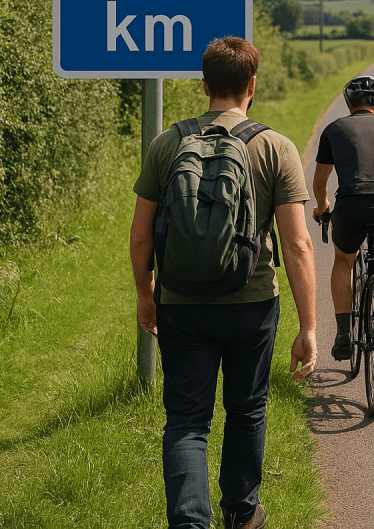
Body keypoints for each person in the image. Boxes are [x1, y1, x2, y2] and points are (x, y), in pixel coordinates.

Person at [129, 37, 318, 529]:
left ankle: (191, 523)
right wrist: (310, 326)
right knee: (247, 409)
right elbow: (298, 246)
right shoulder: (275, 146)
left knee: (187, 422)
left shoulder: (167, 143)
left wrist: (145, 298)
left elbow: (140, 235)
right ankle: (241, 512)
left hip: (181, 303)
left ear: (205, 83)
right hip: (251, 303)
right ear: (252, 85)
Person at [311, 75, 374, 361]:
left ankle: (344, 334)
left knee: (344, 259)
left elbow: (320, 180)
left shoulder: (334, 129)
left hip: (351, 203)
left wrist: (322, 207)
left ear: (347, 103)